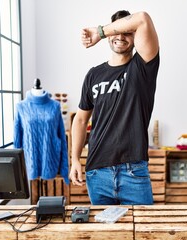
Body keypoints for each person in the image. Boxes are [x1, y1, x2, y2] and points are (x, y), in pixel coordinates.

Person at [69, 10, 160, 205]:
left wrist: (100, 32)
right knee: (105, 234)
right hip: (97, 172)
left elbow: (142, 18)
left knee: (143, 233)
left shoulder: (143, 67)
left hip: (133, 171)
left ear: (135, 37)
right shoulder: (93, 74)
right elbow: (80, 119)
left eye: (127, 32)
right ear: (111, 36)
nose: (120, 36)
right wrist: (74, 159)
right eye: (116, 31)